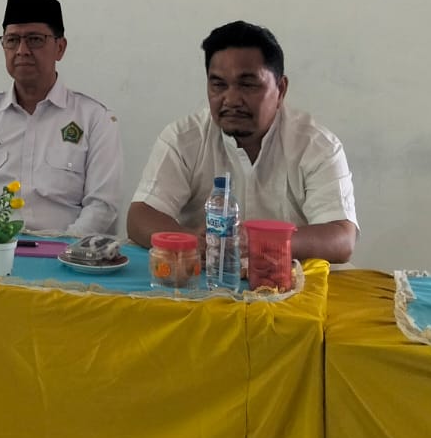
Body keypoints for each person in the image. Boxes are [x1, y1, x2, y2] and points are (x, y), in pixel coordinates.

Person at [128, 21, 358, 263]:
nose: (231, 99)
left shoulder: (316, 145)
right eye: (218, 85)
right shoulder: (184, 138)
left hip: (288, 281)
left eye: (247, 85)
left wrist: (264, 241)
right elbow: (140, 216)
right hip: (205, 280)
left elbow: (341, 238)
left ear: (281, 89)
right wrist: (195, 242)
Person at [0, 0, 123, 236]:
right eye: (12, 40)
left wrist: (64, 249)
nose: (22, 50)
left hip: (67, 252)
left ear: (60, 48)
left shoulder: (95, 119)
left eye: (35, 39)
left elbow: (102, 205)